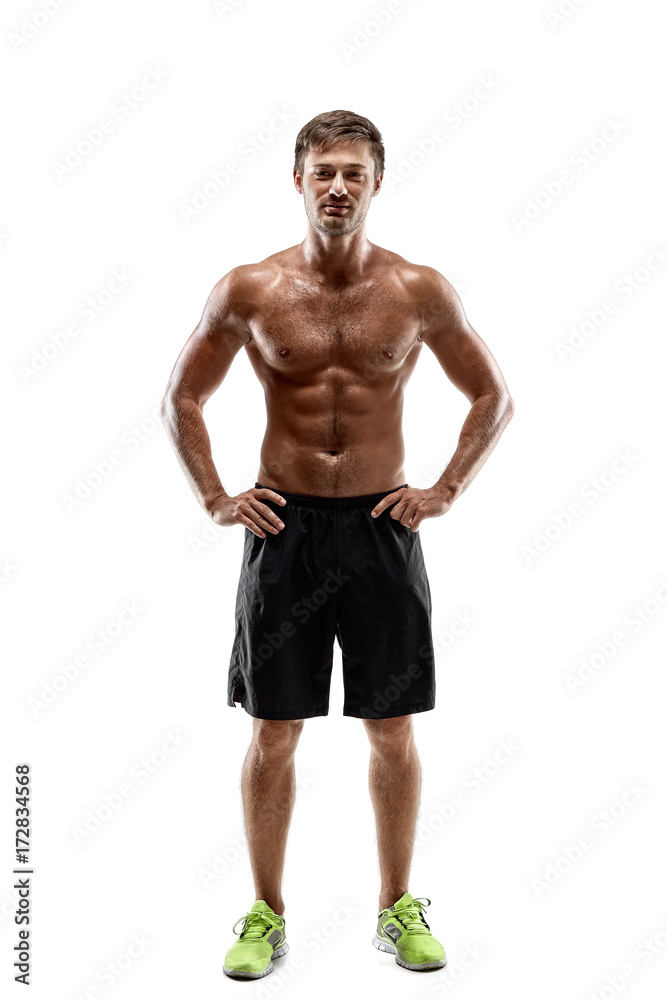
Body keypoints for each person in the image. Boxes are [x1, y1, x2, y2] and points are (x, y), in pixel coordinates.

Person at [161, 109, 514, 979]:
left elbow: (491, 396)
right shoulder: (248, 288)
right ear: (297, 180)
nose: (337, 186)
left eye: (353, 171)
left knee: (389, 727)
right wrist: (214, 497)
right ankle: (263, 913)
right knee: (274, 729)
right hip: (283, 529)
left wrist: (444, 490)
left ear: (376, 183)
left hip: (381, 528)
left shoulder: (417, 290)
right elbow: (182, 397)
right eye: (322, 170)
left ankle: (396, 906)